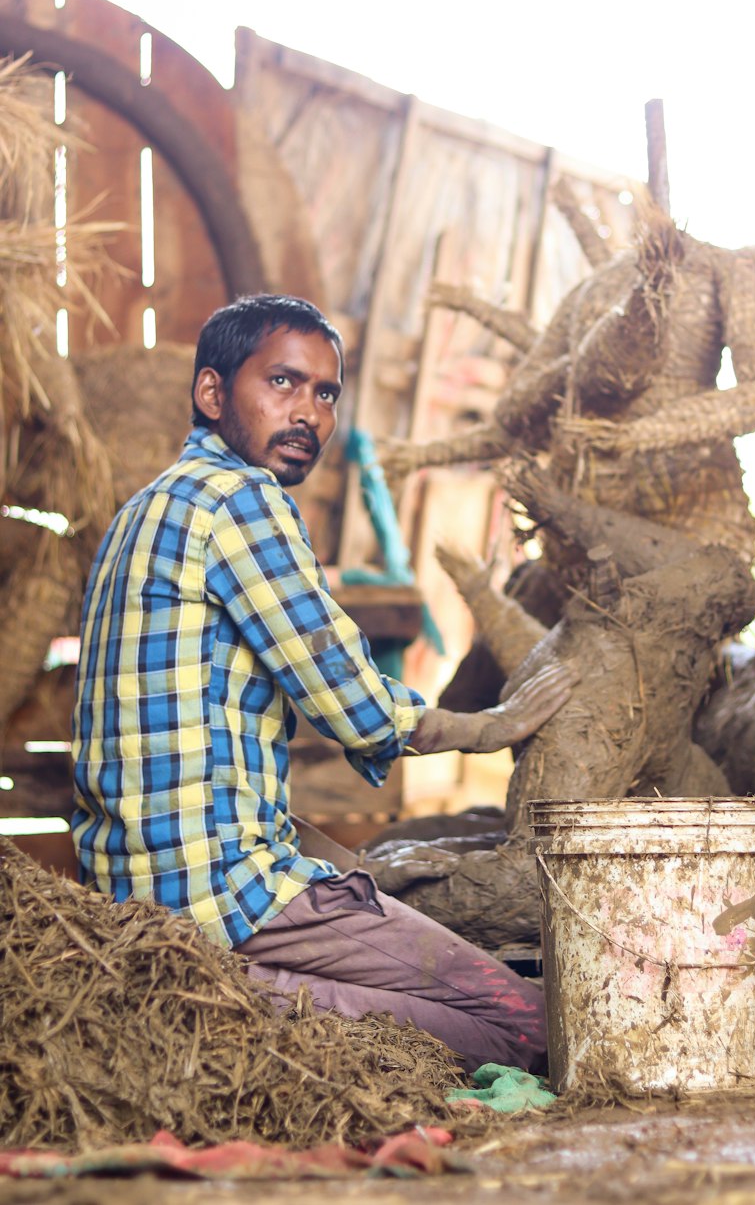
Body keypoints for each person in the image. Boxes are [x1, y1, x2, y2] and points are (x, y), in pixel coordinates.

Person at [72, 294, 573, 1072]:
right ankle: (244, 1005)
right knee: (532, 1023)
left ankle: (230, 994)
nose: (307, 411)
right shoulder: (240, 500)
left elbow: (196, 771)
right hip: (227, 897)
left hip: (140, 903)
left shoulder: (142, 511)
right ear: (212, 394)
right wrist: (496, 725)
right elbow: (357, 706)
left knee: (410, 933)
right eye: (282, 382)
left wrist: (351, 868)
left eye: (325, 392)